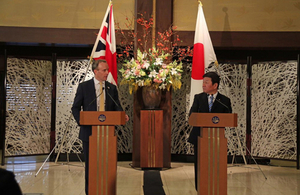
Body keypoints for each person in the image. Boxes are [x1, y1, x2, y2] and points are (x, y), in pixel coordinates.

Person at [71, 59, 129, 195]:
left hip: (107, 134)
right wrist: (82, 120)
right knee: (91, 166)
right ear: (95, 71)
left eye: (108, 70)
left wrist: (121, 115)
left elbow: (116, 106)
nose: (107, 73)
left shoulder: (111, 88)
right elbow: (75, 107)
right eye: (104, 70)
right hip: (89, 133)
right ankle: (90, 192)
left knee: (106, 166)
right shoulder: (84, 87)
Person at [188, 71, 232, 191]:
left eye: (206, 82)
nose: (203, 85)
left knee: (216, 165)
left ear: (215, 85)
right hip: (199, 137)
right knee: (200, 165)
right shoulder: (198, 98)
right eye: (203, 82)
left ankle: (217, 188)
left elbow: (228, 118)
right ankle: (200, 189)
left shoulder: (224, 100)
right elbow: (192, 116)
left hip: (217, 139)